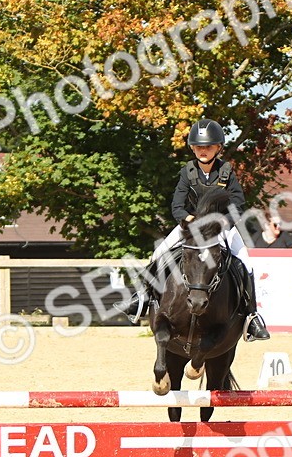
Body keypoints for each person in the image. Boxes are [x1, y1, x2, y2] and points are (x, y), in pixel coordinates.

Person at [113, 118, 270, 341]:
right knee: (158, 254)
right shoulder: (188, 172)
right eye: (198, 147)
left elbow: (238, 204)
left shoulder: (226, 172)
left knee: (247, 262)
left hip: (221, 227)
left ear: (218, 148)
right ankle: (142, 298)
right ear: (193, 148)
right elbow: (177, 205)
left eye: (208, 146)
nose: (203, 150)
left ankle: (252, 317)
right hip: (190, 226)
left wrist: (223, 221)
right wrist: (190, 220)